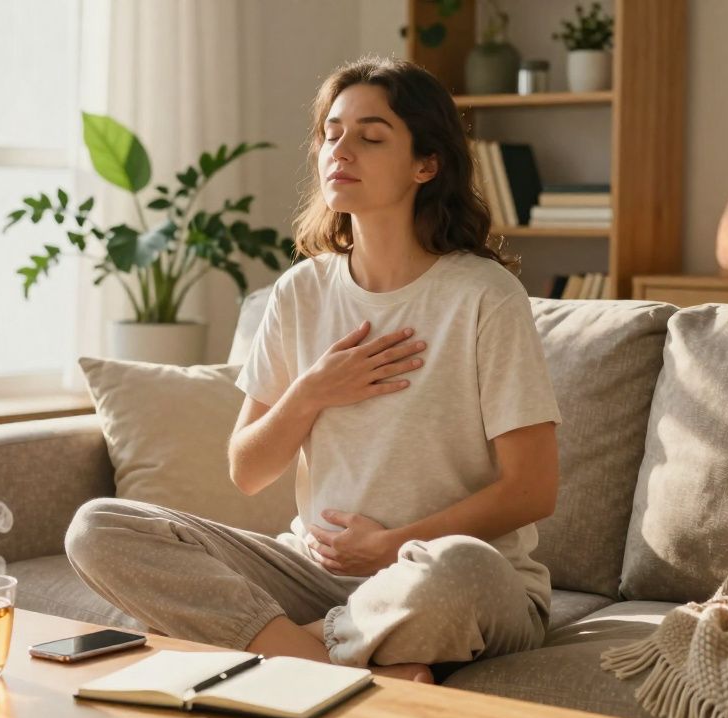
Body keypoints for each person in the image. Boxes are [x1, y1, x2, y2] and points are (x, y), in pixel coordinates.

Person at [65, 55, 561, 683]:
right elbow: (248, 470)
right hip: (312, 572)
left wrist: (392, 544)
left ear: (426, 165)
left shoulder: (484, 295)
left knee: (455, 568)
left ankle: (288, 654)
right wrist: (311, 392)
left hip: (455, 580)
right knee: (98, 527)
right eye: (331, 134)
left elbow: (531, 490)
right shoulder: (301, 292)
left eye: (370, 136)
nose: (341, 150)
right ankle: (333, 660)